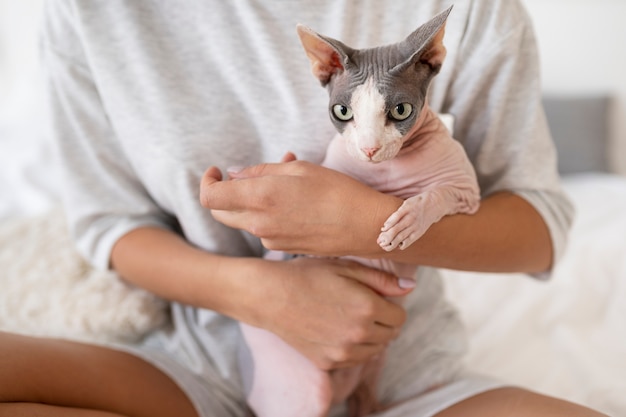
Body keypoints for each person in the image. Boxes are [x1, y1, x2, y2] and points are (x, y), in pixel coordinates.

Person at [0, 1, 607, 416]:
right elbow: (108, 226)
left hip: (401, 373)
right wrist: (261, 295)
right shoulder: (91, 13)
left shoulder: (467, 12)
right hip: (208, 360)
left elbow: (540, 225)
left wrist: (363, 225)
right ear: (326, 70)